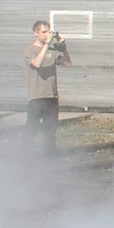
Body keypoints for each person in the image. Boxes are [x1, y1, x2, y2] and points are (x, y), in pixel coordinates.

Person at [23, 19, 70, 154]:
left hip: (52, 96)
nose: (46, 35)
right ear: (35, 33)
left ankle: (49, 156)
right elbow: (37, 64)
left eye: (48, 32)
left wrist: (63, 47)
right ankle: (23, 156)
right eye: (43, 32)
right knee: (31, 128)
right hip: (36, 96)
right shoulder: (29, 49)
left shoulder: (52, 50)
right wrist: (47, 45)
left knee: (50, 131)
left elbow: (67, 63)